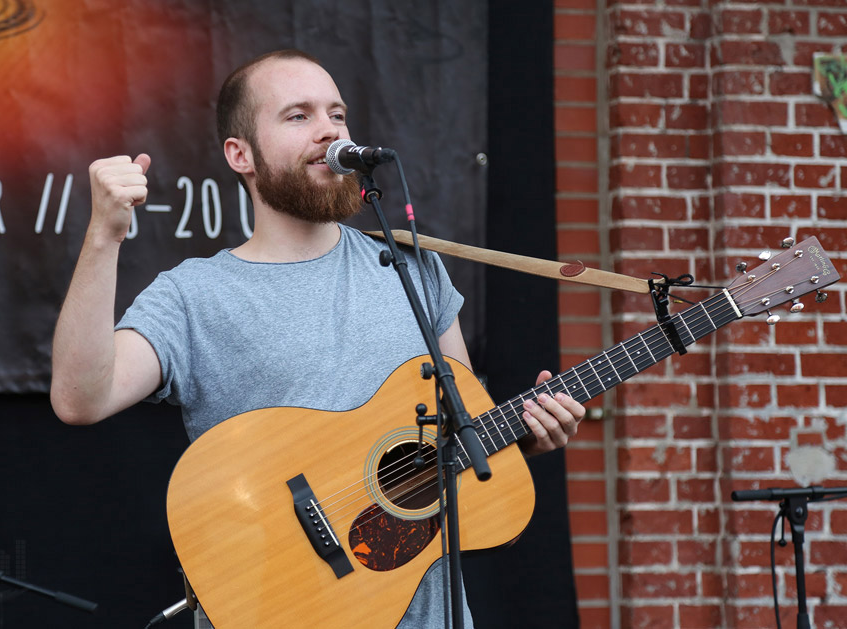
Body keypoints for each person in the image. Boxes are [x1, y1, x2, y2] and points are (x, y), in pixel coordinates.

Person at [50, 49, 586, 629]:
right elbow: (82, 398)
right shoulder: (193, 296)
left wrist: (516, 443)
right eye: (298, 116)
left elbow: (456, 441)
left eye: (337, 114)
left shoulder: (415, 268)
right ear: (241, 155)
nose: (329, 130)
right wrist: (104, 235)